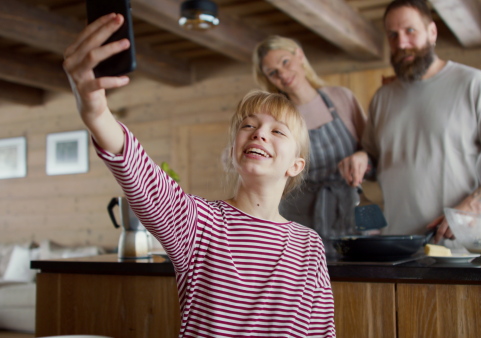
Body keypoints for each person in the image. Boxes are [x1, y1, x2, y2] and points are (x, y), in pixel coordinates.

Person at [63, 13, 336, 337]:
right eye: (248, 125)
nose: (259, 133)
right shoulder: (198, 222)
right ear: (234, 151)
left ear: (296, 165)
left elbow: (322, 332)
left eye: (277, 131)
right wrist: (96, 113)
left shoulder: (309, 246)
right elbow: (143, 175)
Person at [361, 0, 481, 245]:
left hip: (462, 248)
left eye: (410, 31)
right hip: (396, 249)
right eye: (392, 35)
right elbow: (373, 166)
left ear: (432, 32)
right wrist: (362, 160)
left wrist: (471, 206)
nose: (401, 43)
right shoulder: (382, 98)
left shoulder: (473, 83)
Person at [252, 35, 371, 257]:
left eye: (285, 62)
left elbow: (373, 151)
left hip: (352, 212)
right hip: (301, 220)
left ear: (299, 56)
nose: (283, 74)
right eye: (273, 72)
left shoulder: (341, 98)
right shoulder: (276, 116)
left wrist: (363, 156)